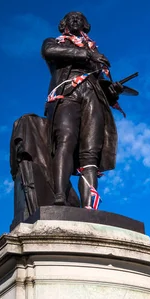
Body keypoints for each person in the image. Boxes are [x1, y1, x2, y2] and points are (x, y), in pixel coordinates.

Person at [41, 11, 122, 209]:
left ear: (85, 25)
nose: (75, 20)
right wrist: (88, 54)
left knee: (90, 152)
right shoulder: (56, 42)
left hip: (93, 95)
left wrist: (113, 90)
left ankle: (89, 206)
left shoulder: (93, 51)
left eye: (79, 18)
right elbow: (49, 52)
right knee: (66, 140)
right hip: (67, 91)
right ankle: (59, 195)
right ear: (64, 24)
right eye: (71, 18)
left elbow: (102, 84)